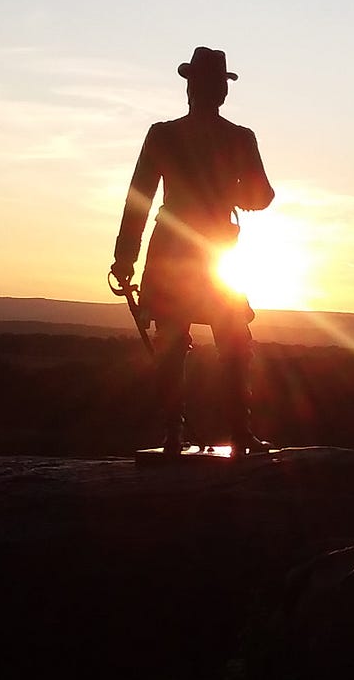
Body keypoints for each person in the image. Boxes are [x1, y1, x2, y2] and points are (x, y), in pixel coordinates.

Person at [110, 47, 275, 455]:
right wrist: (233, 190)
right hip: (215, 249)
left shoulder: (164, 135)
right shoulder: (239, 138)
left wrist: (125, 256)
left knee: (176, 342)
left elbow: (139, 198)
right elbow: (263, 195)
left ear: (191, 88)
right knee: (233, 339)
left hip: (177, 248)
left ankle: (175, 434)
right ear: (220, 91)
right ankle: (237, 432)